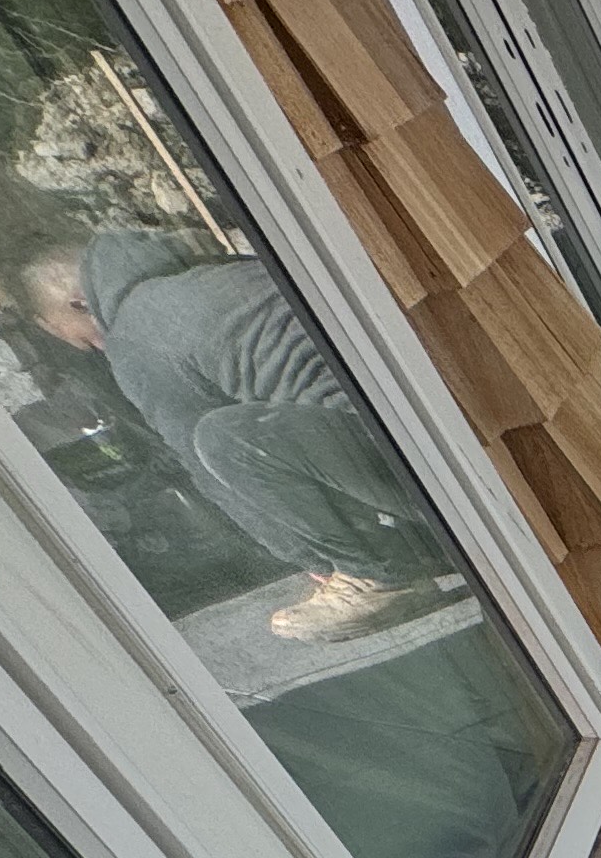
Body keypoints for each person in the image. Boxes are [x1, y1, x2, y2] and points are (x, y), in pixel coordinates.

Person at [24, 229, 454, 641]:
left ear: (80, 303)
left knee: (222, 438)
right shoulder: (229, 271)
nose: (98, 349)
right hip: (441, 427)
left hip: (408, 465)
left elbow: (203, 466)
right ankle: (414, 546)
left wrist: (312, 557)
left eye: (84, 340)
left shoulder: (135, 335)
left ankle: (377, 577)